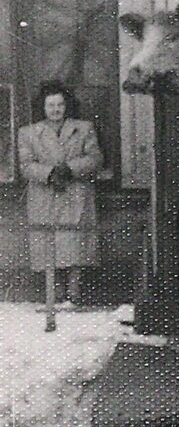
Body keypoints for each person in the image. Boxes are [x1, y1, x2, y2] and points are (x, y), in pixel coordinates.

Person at [17, 81, 104, 306]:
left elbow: (95, 159)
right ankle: (52, 296)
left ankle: (74, 294)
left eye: (60, 105)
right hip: (45, 194)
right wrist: (50, 172)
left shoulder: (83, 128)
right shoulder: (28, 133)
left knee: (75, 241)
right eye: (50, 105)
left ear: (67, 106)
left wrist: (70, 169)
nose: (56, 110)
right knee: (48, 241)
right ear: (43, 108)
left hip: (75, 193)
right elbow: (25, 165)